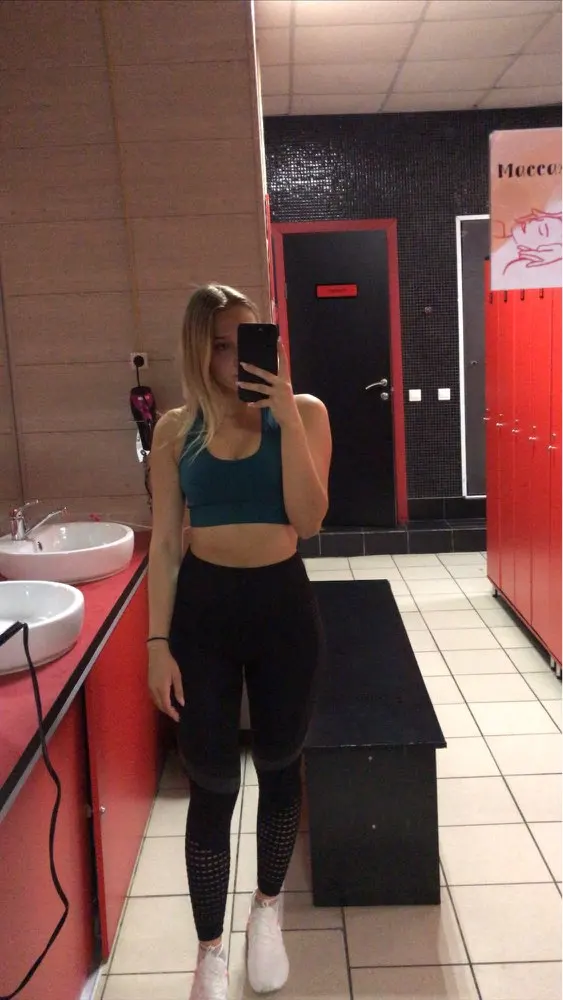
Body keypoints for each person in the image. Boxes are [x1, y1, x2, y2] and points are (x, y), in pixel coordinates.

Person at [147, 283, 332, 999]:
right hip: (204, 614)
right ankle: (209, 950)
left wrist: (282, 412)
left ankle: (266, 910)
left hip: (282, 608)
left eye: (248, 341)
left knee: (282, 768)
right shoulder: (175, 429)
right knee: (212, 784)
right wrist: (155, 643)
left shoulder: (304, 413)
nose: (235, 359)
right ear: (199, 351)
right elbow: (166, 545)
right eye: (221, 345)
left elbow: (308, 520)